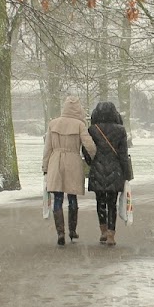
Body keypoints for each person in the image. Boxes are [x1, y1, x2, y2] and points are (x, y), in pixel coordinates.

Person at [42, 96, 97, 246]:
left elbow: (47, 148)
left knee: (58, 199)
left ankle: (60, 232)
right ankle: (72, 230)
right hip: (73, 161)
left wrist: (45, 167)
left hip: (55, 161)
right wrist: (94, 158)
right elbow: (89, 145)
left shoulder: (53, 123)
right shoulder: (79, 125)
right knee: (72, 197)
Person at [85, 101, 133, 246]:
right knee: (112, 203)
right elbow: (123, 154)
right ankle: (111, 234)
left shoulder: (92, 130)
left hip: (97, 170)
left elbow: (87, 151)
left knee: (100, 201)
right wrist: (127, 174)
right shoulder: (120, 130)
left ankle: (103, 231)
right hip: (115, 170)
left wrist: (91, 162)